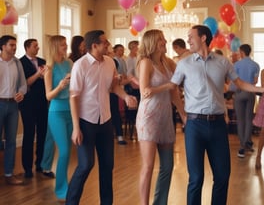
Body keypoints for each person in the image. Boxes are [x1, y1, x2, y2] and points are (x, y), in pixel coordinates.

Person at [167, 25, 264, 205]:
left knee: (222, 176)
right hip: (194, 125)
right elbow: (172, 89)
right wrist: (183, 114)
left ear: (203, 38)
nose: (188, 40)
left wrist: (261, 89)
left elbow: (240, 84)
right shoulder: (184, 64)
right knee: (196, 178)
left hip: (218, 125)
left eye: (191, 36)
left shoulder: (223, 62)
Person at [66, 30, 137, 205]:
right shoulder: (80, 65)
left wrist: (126, 97)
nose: (108, 44)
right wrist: (76, 128)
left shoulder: (110, 63)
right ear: (94, 45)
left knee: (107, 167)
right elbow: (73, 97)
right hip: (85, 122)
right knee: (85, 165)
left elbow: (113, 87)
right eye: (105, 42)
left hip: (105, 121)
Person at [136, 29, 186, 205]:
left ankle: (160, 202)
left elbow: (174, 91)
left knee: (167, 165)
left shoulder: (167, 62)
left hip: (165, 117)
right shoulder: (145, 62)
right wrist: (167, 86)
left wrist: (182, 113)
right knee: (149, 166)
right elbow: (144, 91)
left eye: (164, 39)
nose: (165, 42)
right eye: (161, 40)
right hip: (148, 118)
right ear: (152, 43)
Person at [44, 35, 73, 201]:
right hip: (56, 113)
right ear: (55, 47)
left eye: (66, 43)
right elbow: (48, 96)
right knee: (64, 151)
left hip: (71, 110)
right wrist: (60, 86)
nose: (66, 46)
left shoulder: (69, 63)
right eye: (62, 44)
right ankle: (62, 189)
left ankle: (65, 185)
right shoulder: (49, 68)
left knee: (67, 153)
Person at [19, 38, 48, 178]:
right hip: (28, 104)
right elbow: (25, 83)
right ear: (27, 47)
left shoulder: (42, 61)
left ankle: (40, 163)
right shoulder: (20, 63)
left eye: (38, 45)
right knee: (29, 134)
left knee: (43, 134)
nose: (38, 48)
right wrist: (38, 74)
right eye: (35, 46)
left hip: (42, 102)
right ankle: (27, 167)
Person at [0, 35, 27, 185]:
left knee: (11, 141)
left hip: (13, 106)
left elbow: (23, 84)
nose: (14, 47)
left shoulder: (17, 63)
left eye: (15, 45)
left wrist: (21, 93)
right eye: (11, 45)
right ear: (3, 46)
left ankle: (9, 174)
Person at [233, 44, 260, 158]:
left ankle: (242, 146)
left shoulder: (237, 64)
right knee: (249, 119)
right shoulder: (256, 65)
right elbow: (255, 80)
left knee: (240, 120)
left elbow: (234, 80)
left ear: (242, 52)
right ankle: (247, 144)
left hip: (239, 92)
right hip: (250, 92)